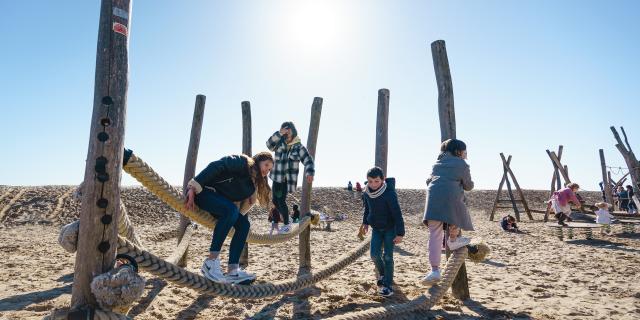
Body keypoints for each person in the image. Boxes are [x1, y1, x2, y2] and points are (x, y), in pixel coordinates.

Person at [185, 152, 273, 284]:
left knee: (244, 225)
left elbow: (242, 207)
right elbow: (216, 166)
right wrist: (193, 187)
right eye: (266, 165)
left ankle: (233, 271)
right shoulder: (241, 162)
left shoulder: (251, 186)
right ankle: (210, 262)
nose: (267, 170)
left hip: (221, 205)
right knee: (231, 210)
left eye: (270, 169)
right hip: (203, 192)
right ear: (258, 161)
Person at [421, 139, 474, 286]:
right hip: (451, 199)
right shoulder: (462, 164)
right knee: (457, 213)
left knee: (434, 234)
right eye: (465, 151)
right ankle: (452, 239)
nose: (466, 154)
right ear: (459, 151)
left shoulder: (436, 164)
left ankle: (434, 270)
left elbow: (428, 180)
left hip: (433, 199)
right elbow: (468, 186)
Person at [359, 167, 405, 297]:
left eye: (376, 181)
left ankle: (388, 286)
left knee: (388, 257)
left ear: (382, 180)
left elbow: (397, 213)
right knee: (374, 254)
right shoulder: (367, 192)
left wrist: (400, 233)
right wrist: (366, 222)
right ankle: (384, 274)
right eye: (370, 181)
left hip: (391, 229)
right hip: (376, 229)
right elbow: (367, 209)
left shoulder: (389, 193)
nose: (373, 184)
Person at [266, 122, 315, 234]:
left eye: (288, 129)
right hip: (276, 177)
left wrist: (310, 172)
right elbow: (269, 145)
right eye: (284, 129)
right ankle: (289, 220)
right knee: (275, 200)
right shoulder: (278, 142)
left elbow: (308, 160)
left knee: (281, 200)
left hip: (287, 179)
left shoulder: (299, 147)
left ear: (293, 130)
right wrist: (279, 133)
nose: (287, 131)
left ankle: (287, 224)